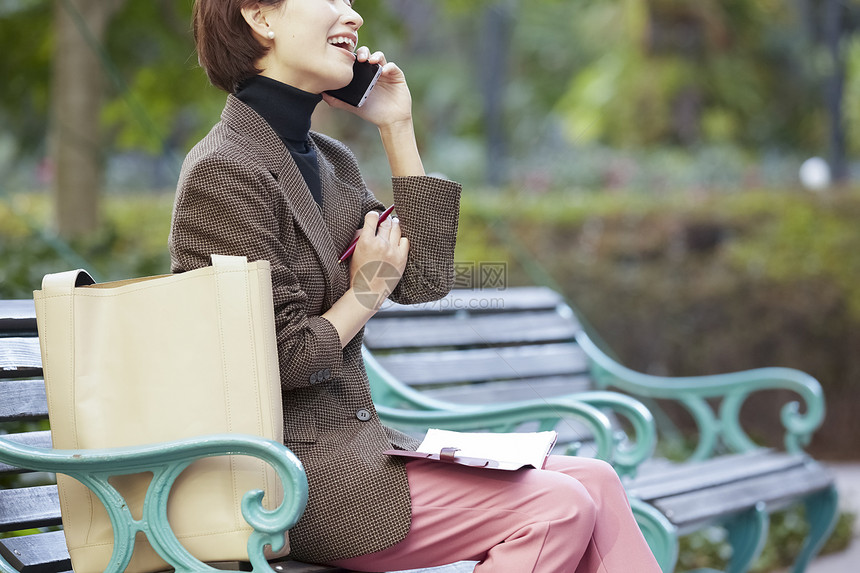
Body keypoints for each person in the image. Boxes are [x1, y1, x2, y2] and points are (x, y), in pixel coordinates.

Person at [169, 1, 662, 572]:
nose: (352, 15)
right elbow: (266, 365)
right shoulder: (224, 171)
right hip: (285, 476)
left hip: (359, 455)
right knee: (555, 506)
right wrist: (364, 292)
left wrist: (396, 127)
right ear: (260, 17)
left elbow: (424, 279)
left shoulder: (327, 160)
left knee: (595, 480)